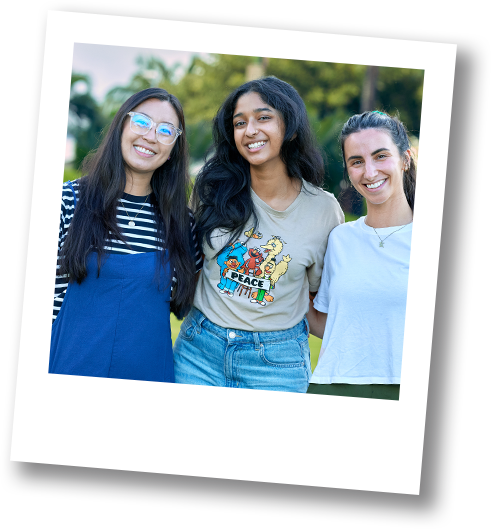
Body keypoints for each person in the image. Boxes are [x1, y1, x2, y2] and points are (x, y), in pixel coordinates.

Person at [173, 76, 344, 393]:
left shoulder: (324, 211)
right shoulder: (212, 189)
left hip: (277, 362)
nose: (250, 130)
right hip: (199, 351)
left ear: (290, 128)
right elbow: (193, 265)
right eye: (240, 122)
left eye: (263, 117)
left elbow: (318, 297)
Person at [50, 88, 203, 382]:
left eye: (165, 130)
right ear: (122, 125)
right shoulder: (67, 202)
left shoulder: (184, 225)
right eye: (142, 122)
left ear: (174, 146)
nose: (150, 136)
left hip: (148, 381)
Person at [306, 110, 416, 399]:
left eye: (381, 156)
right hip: (333, 388)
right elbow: (332, 322)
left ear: (405, 159)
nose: (369, 172)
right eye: (357, 162)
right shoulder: (340, 238)